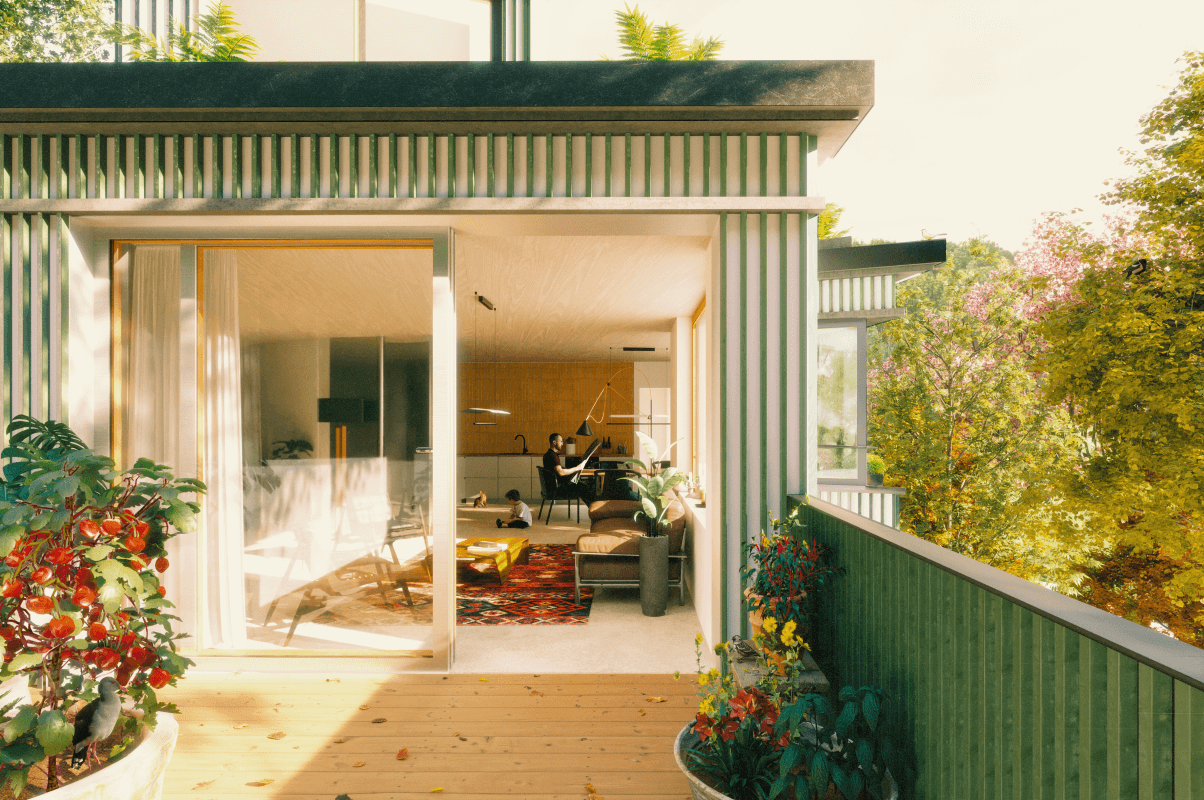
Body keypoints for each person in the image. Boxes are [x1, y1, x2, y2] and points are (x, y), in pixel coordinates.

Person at [543, 433, 597, 505]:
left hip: (551, 488)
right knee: (582, 486)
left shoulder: (548, 454)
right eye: (561, 441)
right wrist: (576, 468)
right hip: (557, 490)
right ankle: (595, 507)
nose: (562, 444)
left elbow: (557, 471)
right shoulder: (553, 456)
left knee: (581, 486)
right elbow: (561, 472)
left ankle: (593, 507)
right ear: (554, 442)